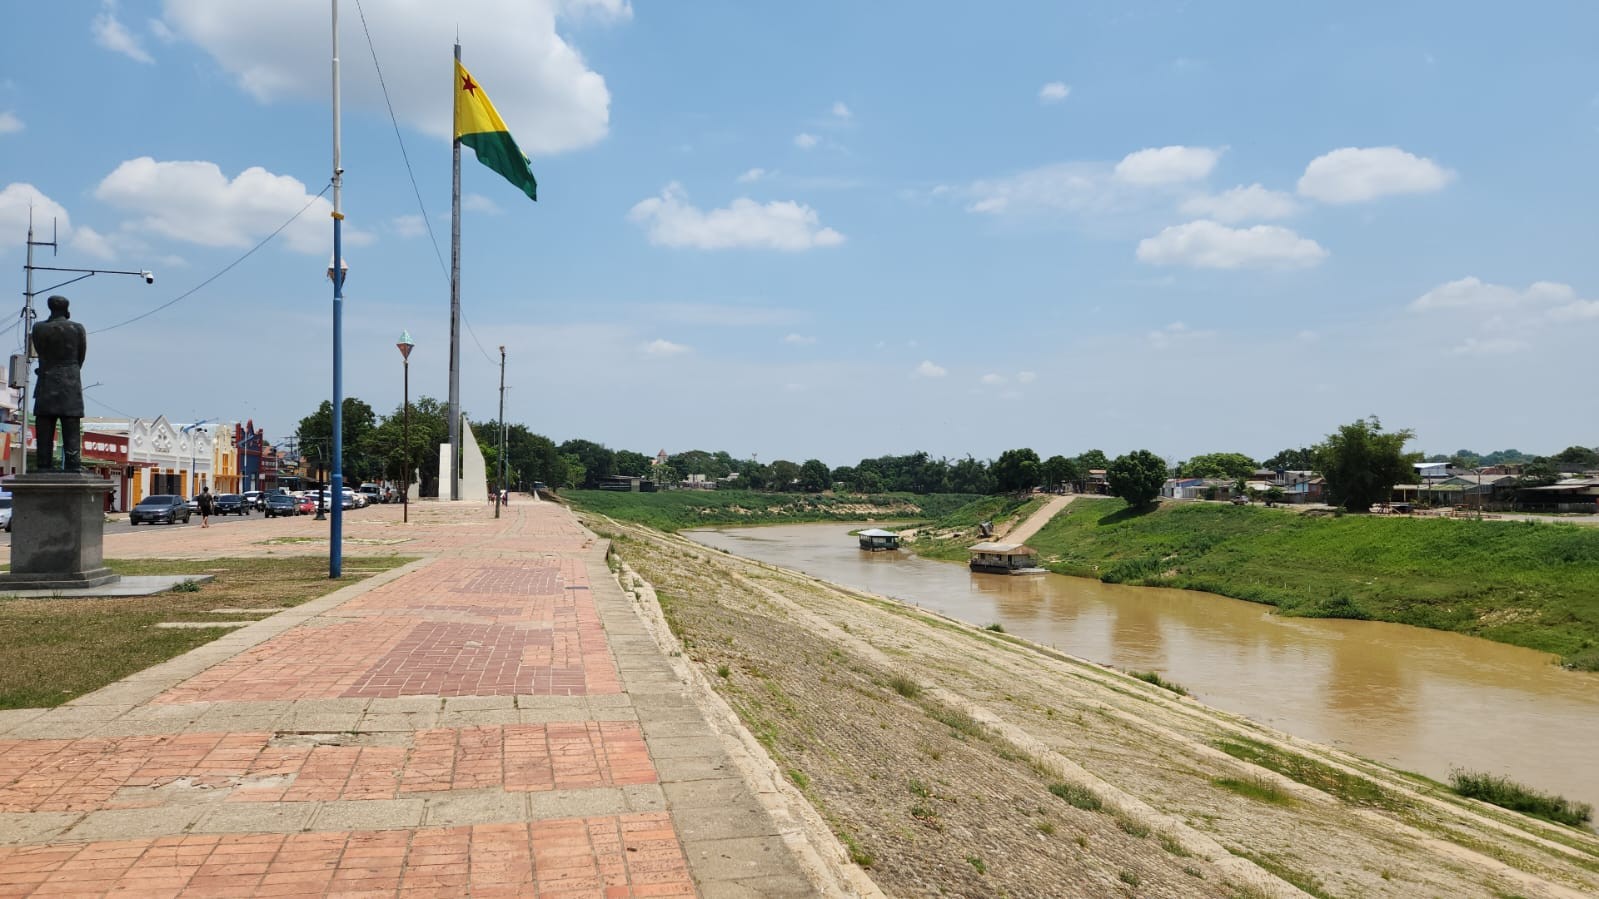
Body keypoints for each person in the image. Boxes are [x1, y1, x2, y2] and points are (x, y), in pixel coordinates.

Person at [30, 295, 87, 471]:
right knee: (71, 425)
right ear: (66, 309)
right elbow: (80, 358)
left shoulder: (39, 328)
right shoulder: (77, 329)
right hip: (70, 382)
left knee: (44, 424)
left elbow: (40, 351)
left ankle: (43, 464)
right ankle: (73, 464)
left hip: (47, 380)